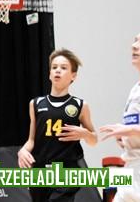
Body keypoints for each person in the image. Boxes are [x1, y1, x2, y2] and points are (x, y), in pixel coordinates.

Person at [17, 49, 98, 202]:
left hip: (66, 171)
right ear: (49, 74)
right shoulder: (35, 104)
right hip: (40, 171)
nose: (57, 71)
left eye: (63, 67)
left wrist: (85, 134)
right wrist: (22, 151)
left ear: (73, 76)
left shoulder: (80, 105)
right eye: (54, 67)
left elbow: (94, 140)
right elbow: (31, 140)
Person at [99, 28, 140, 202]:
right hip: (132, 171)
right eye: (135, 40)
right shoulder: (136, 88)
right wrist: (125, 137)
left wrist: (129, 130)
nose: (134, 45)